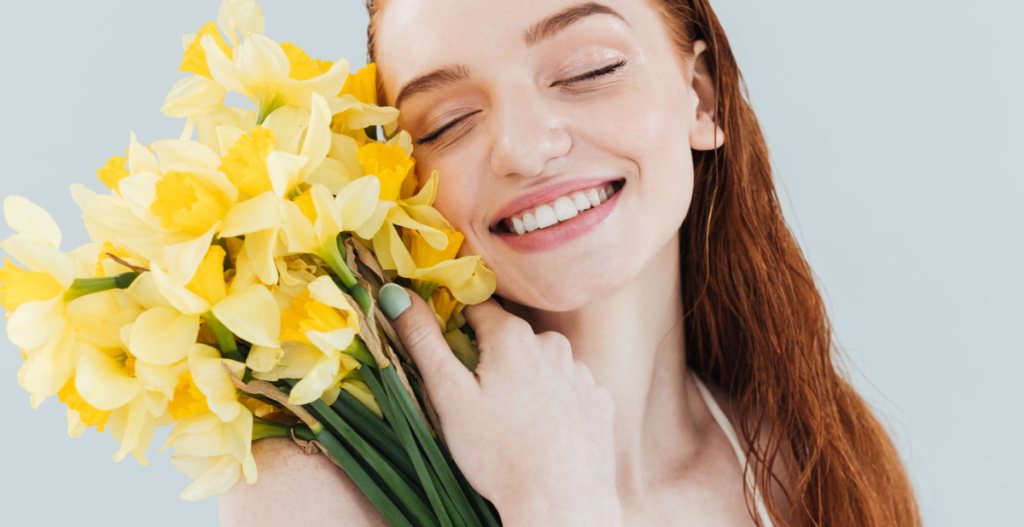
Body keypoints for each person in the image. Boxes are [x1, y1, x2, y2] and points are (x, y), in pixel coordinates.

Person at [220, 1, 921, 525]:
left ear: (701, 96)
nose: (523, 147)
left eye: (591, 69)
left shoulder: (811, 462)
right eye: (447, 123)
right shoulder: (317, 497)